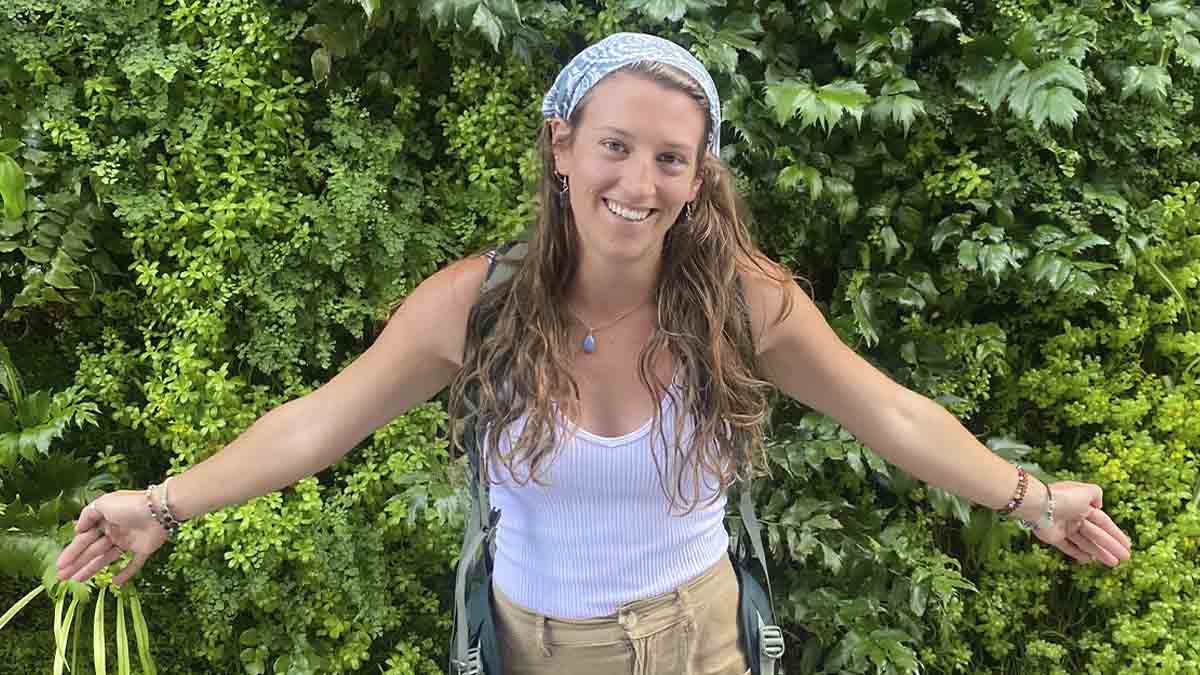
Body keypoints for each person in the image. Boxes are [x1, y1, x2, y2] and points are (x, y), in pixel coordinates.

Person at [56, 33, 1132, 674]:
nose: (639, 181)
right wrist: (160, 506)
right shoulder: (470, 309)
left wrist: (1030, 501)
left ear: (701, 175)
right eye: (615, 145)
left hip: (705, 635)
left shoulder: (748, 305)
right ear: (563, 146)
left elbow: (888, 412)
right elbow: (317, 425)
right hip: (539, 649)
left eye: (672, 158)